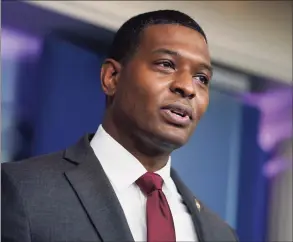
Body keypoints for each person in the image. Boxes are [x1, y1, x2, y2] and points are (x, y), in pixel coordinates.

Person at [2, 10, 238, 242]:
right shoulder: (22, 190)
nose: (188, 87)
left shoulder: (220, 234)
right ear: (112, 77)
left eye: (202, 78)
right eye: (166, 64)